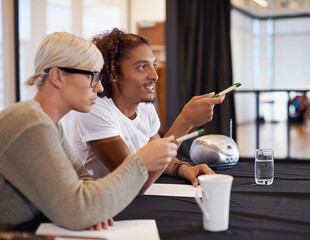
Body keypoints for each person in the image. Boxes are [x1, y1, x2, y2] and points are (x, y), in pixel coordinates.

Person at [0, 32, 177, 231]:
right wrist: (140, 162)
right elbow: (78, 211)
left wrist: (93, 208)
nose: (100, 87)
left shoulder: (51, 125)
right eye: (92, 76)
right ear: (58, 76)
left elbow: (82, 180)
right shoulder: (30, 123)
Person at [68, 28, 224, 194]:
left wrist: (183, 169)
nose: (155, 75)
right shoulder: (95, 110)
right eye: (142, 67)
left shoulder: (143, 106)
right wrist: (185, 122)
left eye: (153, 65)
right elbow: (133, 183)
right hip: (101, 203)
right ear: (114, 74)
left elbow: (156, 153)